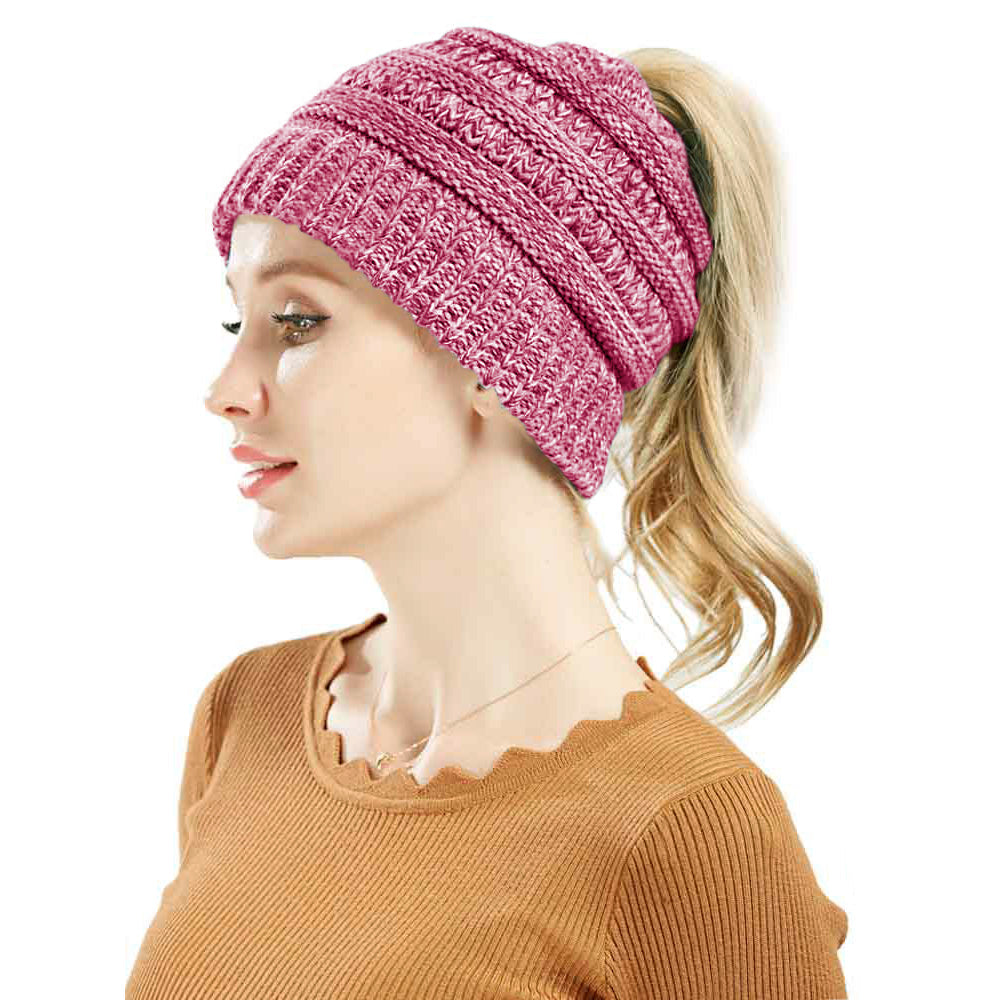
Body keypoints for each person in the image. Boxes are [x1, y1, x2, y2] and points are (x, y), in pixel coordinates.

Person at [126, 25, 848, 999]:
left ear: (500, 356)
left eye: (296, 321)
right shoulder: (245, 717)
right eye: (235, 320)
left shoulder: (690, 831)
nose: (225, 389)